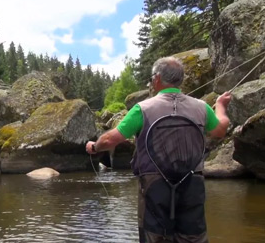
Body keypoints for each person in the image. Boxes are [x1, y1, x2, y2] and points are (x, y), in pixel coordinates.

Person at [86, 56, 231, 243]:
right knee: (193, 237)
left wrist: (94, 147)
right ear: (181, 80)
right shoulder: (202, 107)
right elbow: (221, 129)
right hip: (192, 185)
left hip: (155, 187)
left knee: (155, 237)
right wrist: (220, 106)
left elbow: (109, 139)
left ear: (156, 79)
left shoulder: (142, 109)